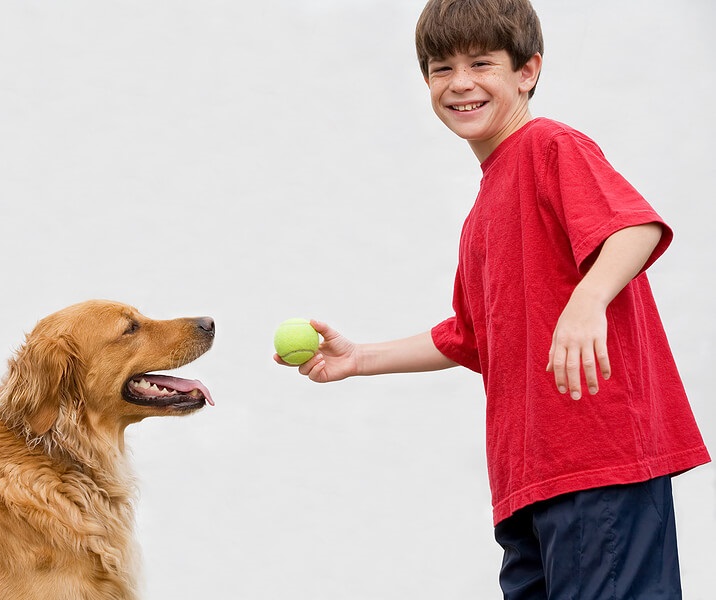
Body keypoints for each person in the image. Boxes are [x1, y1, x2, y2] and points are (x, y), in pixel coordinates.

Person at [274, 0, 711, 597]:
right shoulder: (485, 206)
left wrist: (587, 301)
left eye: (481, 62)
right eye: (440, 68)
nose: (460, 83)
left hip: (596, 464)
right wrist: (359, 358)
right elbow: (469, 335)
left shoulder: (549, 146)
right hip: (528, 482)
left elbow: (635, 228)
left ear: (527, 70)